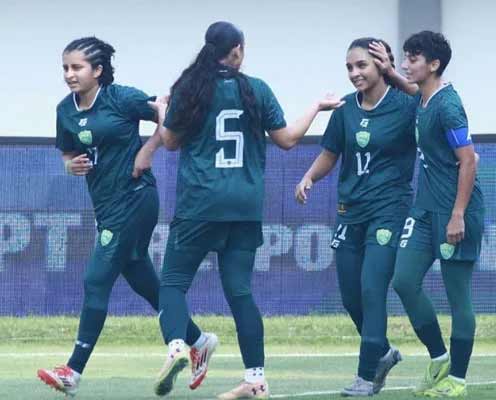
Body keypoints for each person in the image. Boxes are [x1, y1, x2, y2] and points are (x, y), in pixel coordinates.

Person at [150, 21, 343, 399]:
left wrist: (160, 110)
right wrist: (317, 107)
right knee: (240, 293)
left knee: (172, 284)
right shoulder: (256, 89)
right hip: (244, 205)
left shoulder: (190, 88)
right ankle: (256, 378)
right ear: (237, 50)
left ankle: (178, 345)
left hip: (200, 204)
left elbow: (169, 142)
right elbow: (287, 139)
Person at [37, 37, 212, 397]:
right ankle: (199, 340)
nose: (70, 74)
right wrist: (73, 166)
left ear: (98, 70)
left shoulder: (121, 97)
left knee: (96, 279)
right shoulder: (64, 110)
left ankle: (73, 371)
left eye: (77, 67)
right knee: (144, 281)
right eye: (66, 68)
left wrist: (148, 149)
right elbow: (69, 153)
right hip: (105, 204)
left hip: (135, 197)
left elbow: (170, 113)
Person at [295, 37, 414, 396]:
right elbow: (332, 153)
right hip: (351, 211)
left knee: (372, 288)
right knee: (351, 296)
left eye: (361, 65)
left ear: (381, 64)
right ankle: (381, 351)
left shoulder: (406, 105)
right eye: (349, 67)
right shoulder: (346, 109)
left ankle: (365, 376)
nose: (354, 73)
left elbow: (433, 101)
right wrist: (309, 176)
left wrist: (395, 73)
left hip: (388, 211)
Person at [387, 30, 483, 398]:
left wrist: (457, 214)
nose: (407, 63)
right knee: (403, 281)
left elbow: (468, 160)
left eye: (413, 58)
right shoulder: (425, 100)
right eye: (406, 57)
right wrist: (392, 72)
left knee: (458, 296)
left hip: (454, 212)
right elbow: (414, 91)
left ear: (434, 64)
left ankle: (457, 378)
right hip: (425, 210)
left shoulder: (448, 105)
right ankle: (439, 357)